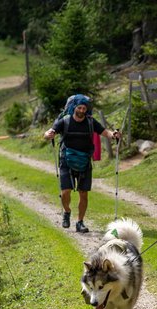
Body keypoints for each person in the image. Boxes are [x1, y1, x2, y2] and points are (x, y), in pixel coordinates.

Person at [44, 95, 121, 233]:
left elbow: (105, 132)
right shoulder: (65, 121)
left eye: (84, 108)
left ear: (87, 109)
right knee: (65, 191)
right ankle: (67, 212)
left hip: (85, 161)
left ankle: (80, 222)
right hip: (66, 160)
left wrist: (113, 135)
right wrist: (48, 134)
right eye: (79, 107)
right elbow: (51, 132)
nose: (81, 110)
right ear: (74, 108)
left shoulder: (91, 122)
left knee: (83, 193)